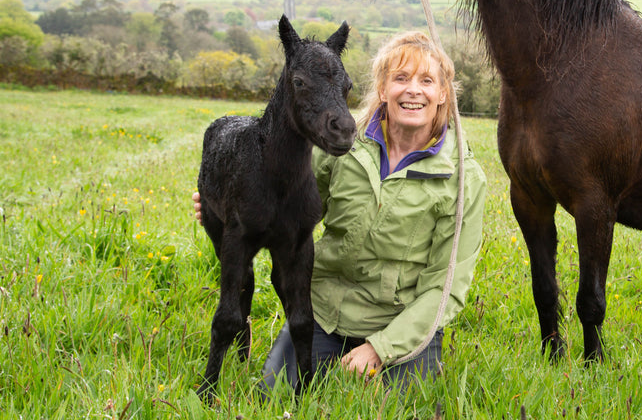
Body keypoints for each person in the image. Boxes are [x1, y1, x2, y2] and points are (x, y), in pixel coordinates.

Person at [193, 30, 487, 394]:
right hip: (325, 315)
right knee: (274, 394)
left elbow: (446, 289)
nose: (413, 90)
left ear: (443, 93)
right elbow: (286, 202)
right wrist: (229, 202)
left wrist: (380, 349)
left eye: (427, 80)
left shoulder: (463, 178)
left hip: (400, 323)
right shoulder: (341, 147)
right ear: (382, 89)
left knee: (392, 416)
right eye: (400, 78)